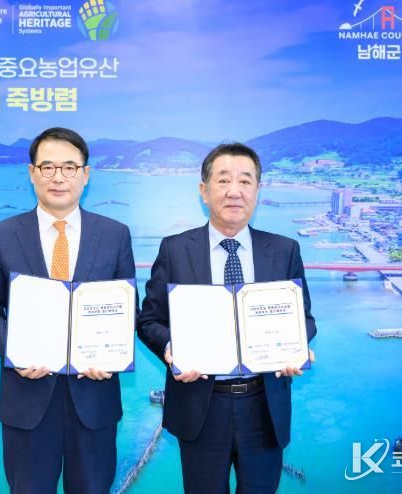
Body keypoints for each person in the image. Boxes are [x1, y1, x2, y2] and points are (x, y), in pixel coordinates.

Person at [138, 143, 317, 493]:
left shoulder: (284, 250)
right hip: (200, 407)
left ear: (257, 191)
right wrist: (172, 348)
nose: (234, 191)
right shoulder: (175, 249)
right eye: (223, 180)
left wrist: (297, 346)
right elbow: (149, 321)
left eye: (245, 181)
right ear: (204, 191)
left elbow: (305, 319)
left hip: (264, 407)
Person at [0, 127, 136, 494]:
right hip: (26, 403)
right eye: (47, 167)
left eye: (69, 167)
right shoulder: (2, 235)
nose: (58, 177)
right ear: (32, 173)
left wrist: (111, 356)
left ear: (85, 174)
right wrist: (16, 352)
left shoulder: (115, 235)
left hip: (94, 401)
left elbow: (129, 311)